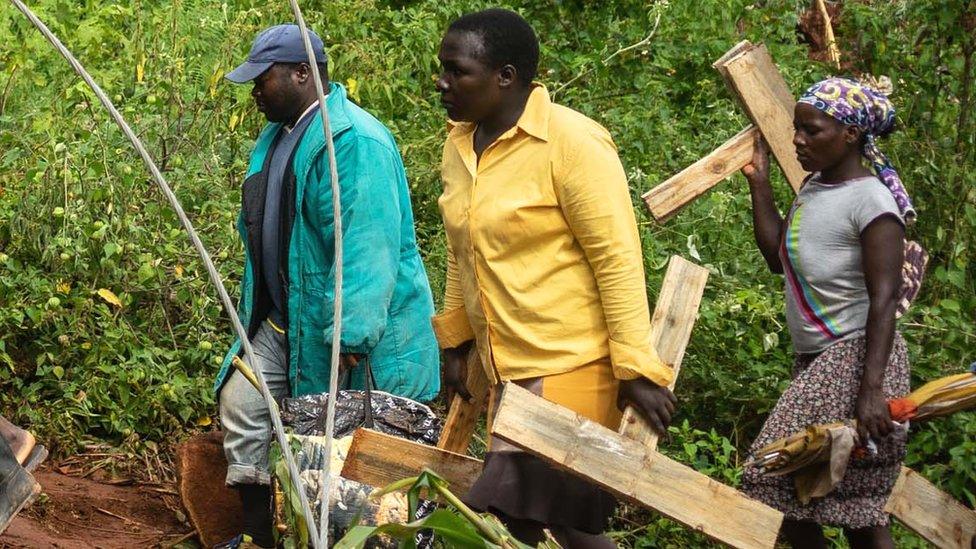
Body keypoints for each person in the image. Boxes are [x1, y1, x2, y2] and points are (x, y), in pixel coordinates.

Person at [431, 9, 676, 547]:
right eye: (441, 69)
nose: (442, 82)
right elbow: (461, 250)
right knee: (542, 519)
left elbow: (616, 257)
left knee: (528, 512)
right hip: (508, 365)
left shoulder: (572, 142)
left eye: (457, 70)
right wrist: (456, 340)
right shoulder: (459, 145)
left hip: (572, 361)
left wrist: (634, 365)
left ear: (506, 76)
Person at [214, 24, 440, 548]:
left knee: (341, 454)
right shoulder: (279, 132)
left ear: (301, 74)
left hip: (343, 331)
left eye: (261, 79)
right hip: (282, 319)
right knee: (244, 405)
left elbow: (368, 245)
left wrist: (352, 335)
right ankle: (256, 539)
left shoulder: (354, 142)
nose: (253, 91)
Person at [740, 77, 914, 549]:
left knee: (769, 475)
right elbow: (778, 258)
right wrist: (760, 184)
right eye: (797, 128)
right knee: (850, 508)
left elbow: (885, 297)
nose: (797, 139)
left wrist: (872, 389)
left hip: (856, 361)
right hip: (817, 363)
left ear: (851, 134)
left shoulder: (872, 202)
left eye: (811, 130)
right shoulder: (814, 188)